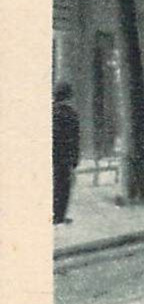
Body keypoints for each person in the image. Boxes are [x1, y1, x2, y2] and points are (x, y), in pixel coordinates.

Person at [53, 83, 81, 225]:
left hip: (52, 157)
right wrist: (74, 161)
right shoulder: (71, 114)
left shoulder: (50, 112)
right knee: (63, 188)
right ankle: (59, 216)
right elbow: (75, 140)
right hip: (64, 159)